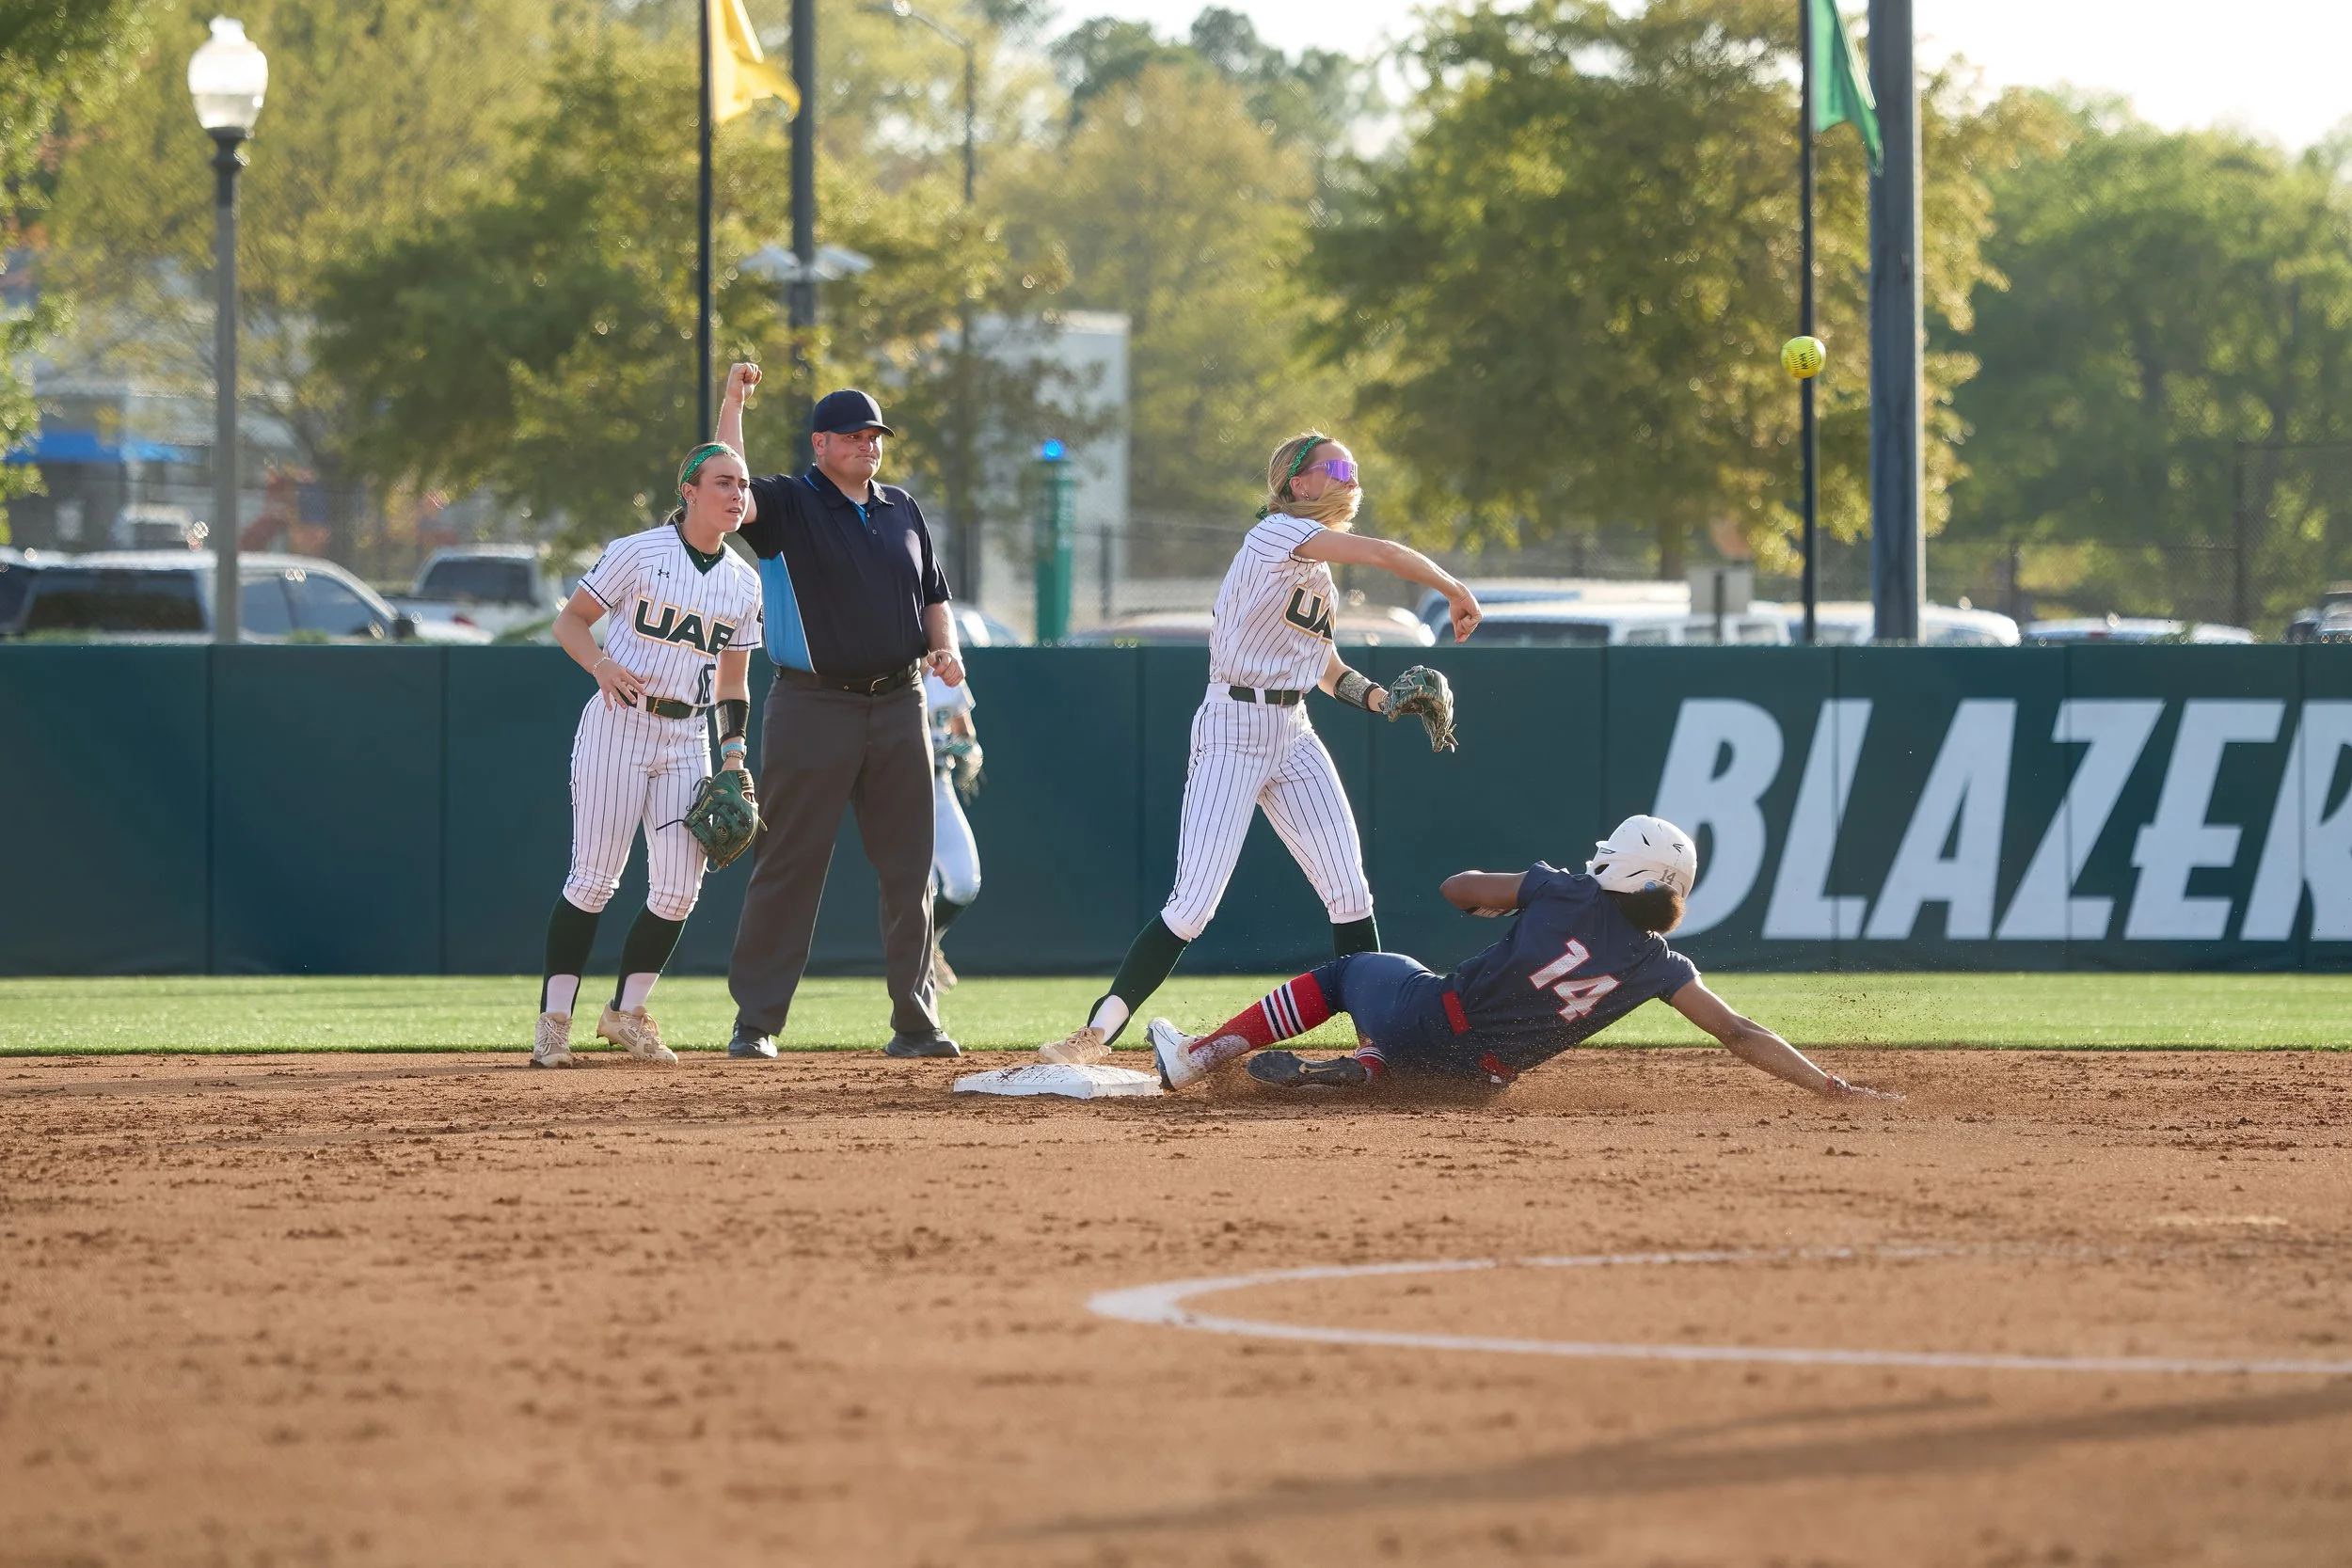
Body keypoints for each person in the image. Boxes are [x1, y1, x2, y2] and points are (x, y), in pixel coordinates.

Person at [1040, 431, 1483, 1063]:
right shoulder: (1274, 534)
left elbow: (1325, 667)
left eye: (1353, 466)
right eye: (1337, 466)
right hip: (1233, 726)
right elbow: (1383, 552)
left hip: (1293, 729)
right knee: (1192, 905)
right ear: (1298, 483)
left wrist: (1383, 700)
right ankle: (1095, 1032)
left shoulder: (1316, 573)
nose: (1350, 476)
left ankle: (1376, 1045)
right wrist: (1454, 588)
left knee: (1349, 892)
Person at [1142, 814, 1901, 1101]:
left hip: (1428, 1020)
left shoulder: (1566, 892)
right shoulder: (1659, 966)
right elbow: (1741, 1032)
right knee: (1437, 1056)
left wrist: (1510, 894)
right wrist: (1830, 1085)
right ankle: (1370, 1069)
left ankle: (1202, 1056)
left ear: (1624, 870)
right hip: (1481, 1081)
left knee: (1352, 973)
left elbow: (1455, 888)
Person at [715, 364, 965, 1060]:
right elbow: (727, 478)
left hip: (898, 702)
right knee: (790, 860)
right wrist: (733, 403)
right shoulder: (789, 504)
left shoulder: (902, 509)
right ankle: (756, 1022)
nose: (868, 444)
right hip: (811, 703)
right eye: (853, 434)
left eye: (875, 434)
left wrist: (944, 648)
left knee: (909, 867)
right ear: (819, 443)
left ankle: (916, 1022)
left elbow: (935, 594)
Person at [532, 440, 764, 1068]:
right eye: (723, 482)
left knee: (676, 892)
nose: (736, 494)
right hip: (619, 726)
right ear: (688, 491)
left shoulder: (745, 582)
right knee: (594, 879)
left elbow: (732, 681)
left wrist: (735, 753)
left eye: (742, 485)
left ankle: (626, 1013)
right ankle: (555, 1020)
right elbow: (570, 622)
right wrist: (601, 664)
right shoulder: (638, 552)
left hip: (688, 736)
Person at [925, 666, 982, 990]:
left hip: (938, 784)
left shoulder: (944, 671)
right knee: (920, 888)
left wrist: (965, 750)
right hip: (897, 786)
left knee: (964, 882)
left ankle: (927, 943)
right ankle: (913, 961)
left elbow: (965, 733)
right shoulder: (888, 669)